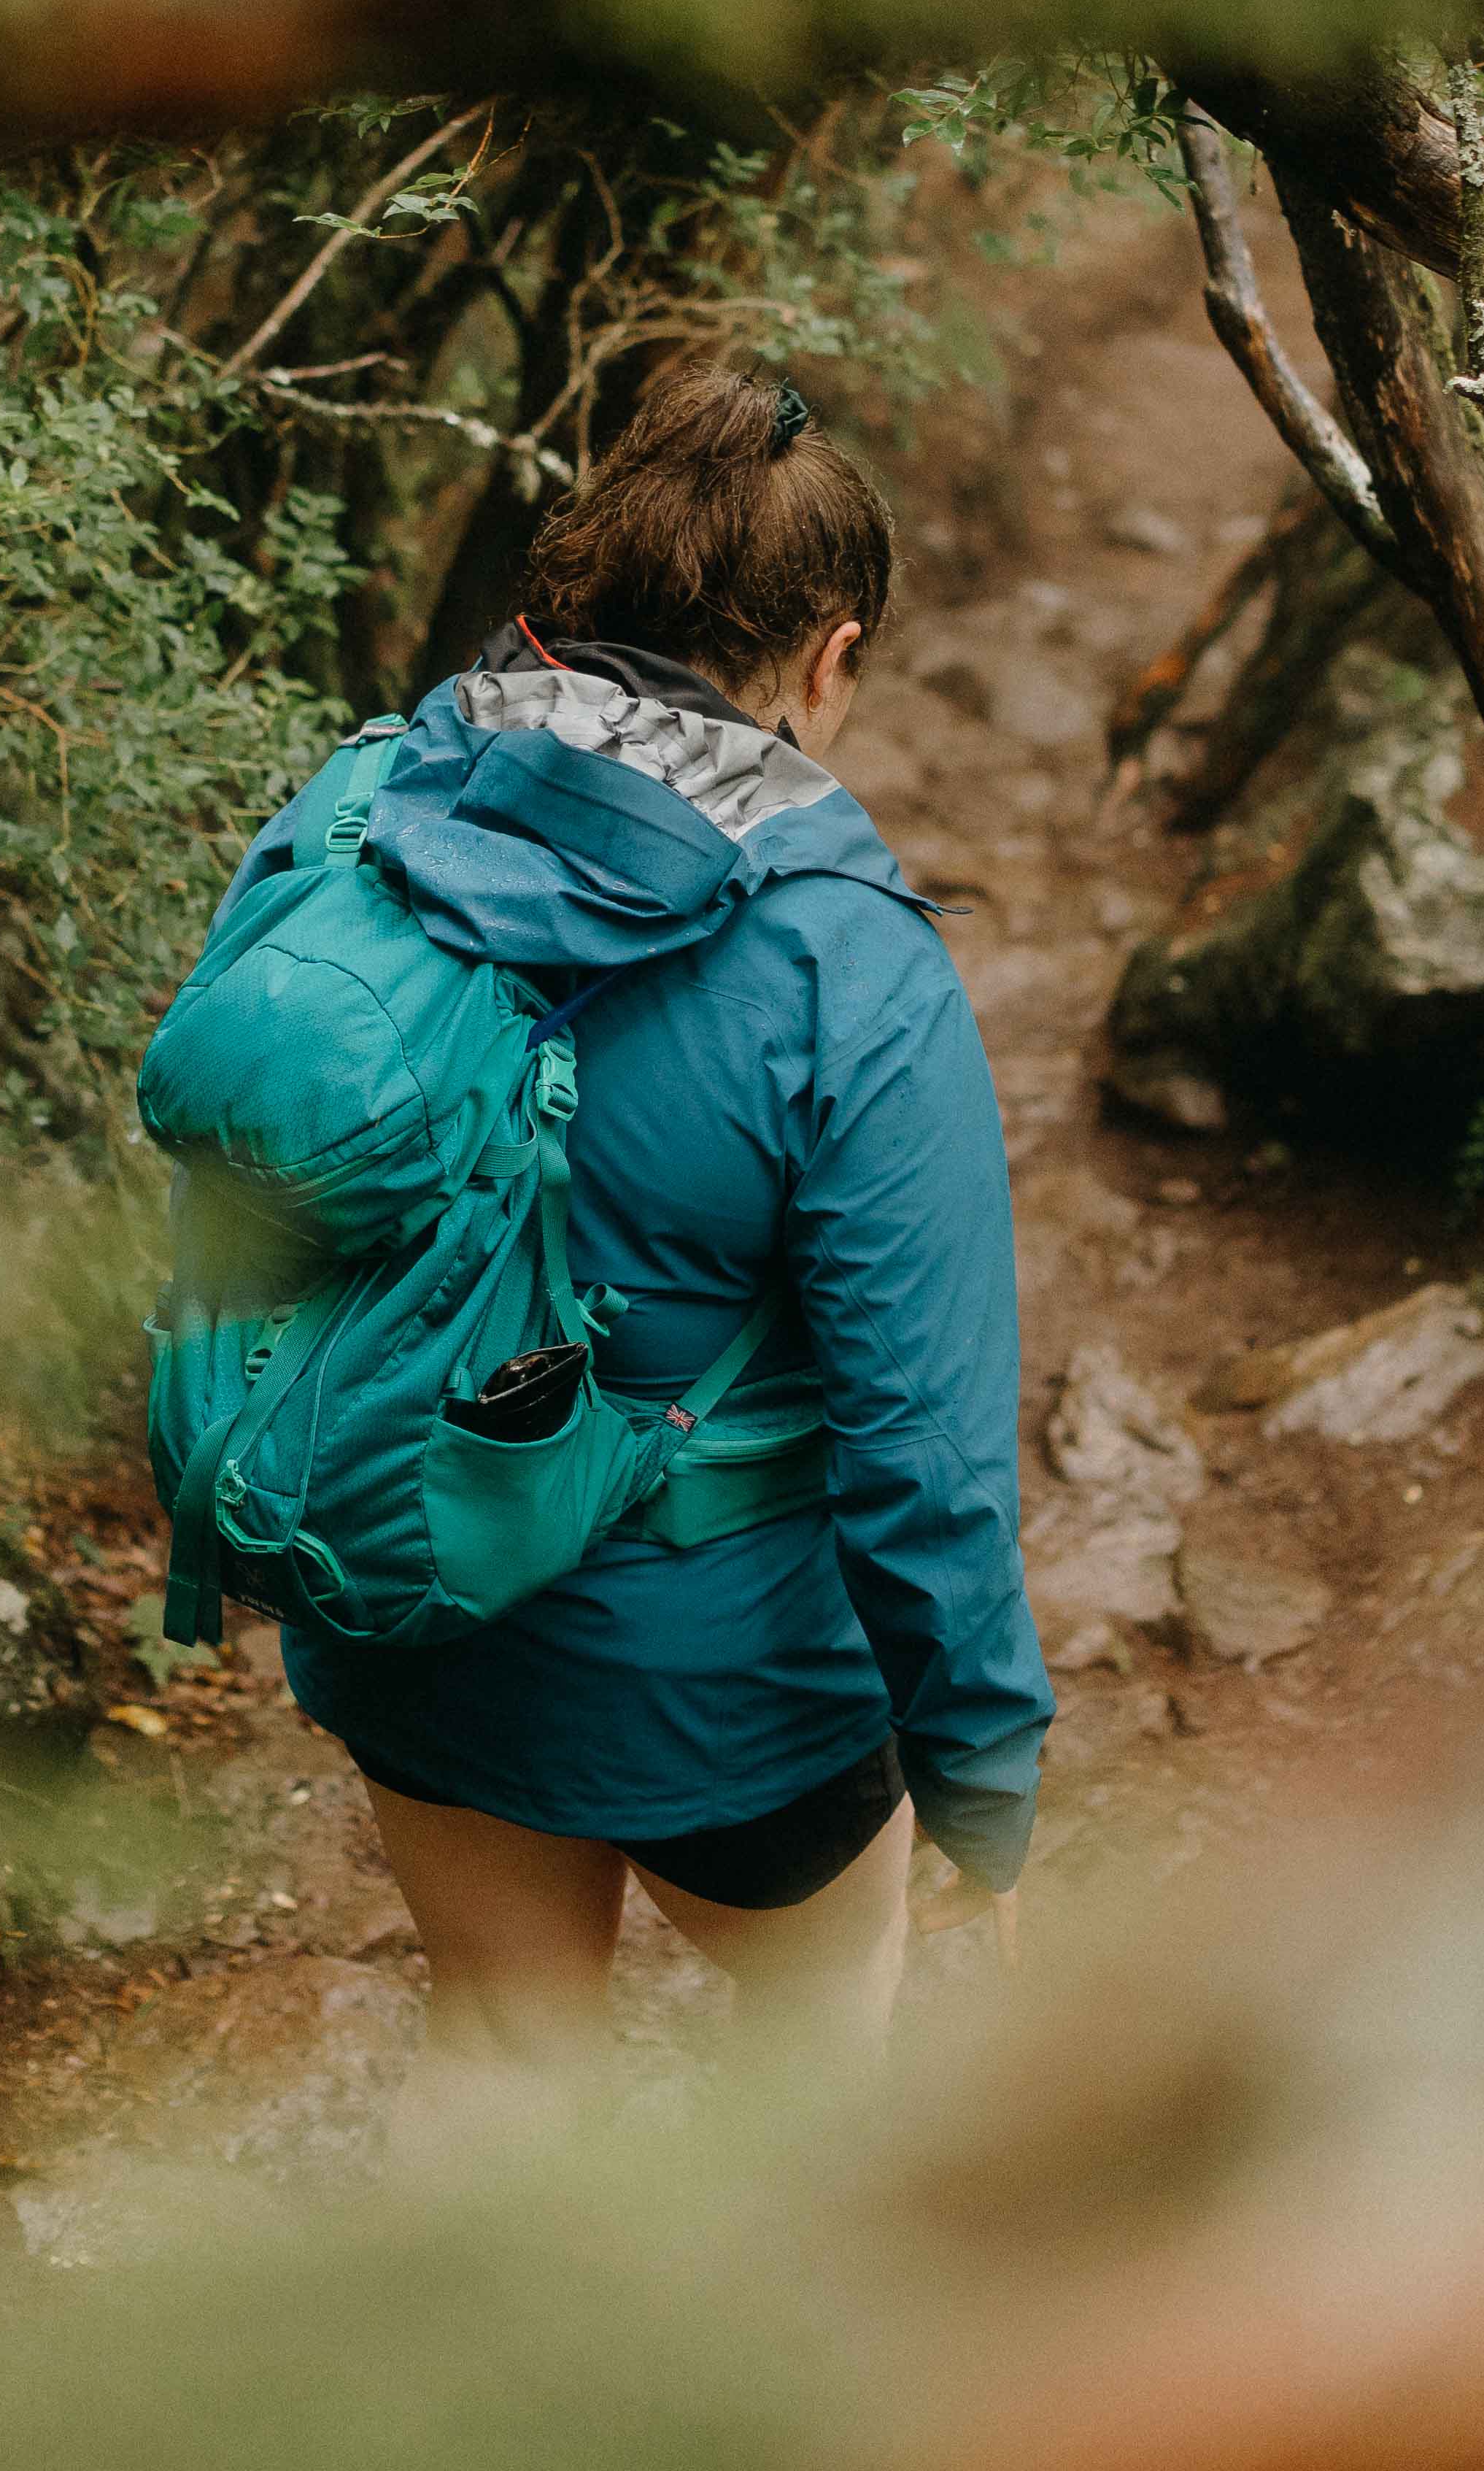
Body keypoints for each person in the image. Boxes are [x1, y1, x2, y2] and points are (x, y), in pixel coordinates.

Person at [166, 361, 1048, 2150]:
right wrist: (984, 1778)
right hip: (730, 1693)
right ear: (834, 654)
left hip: (414, 1596)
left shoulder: (357, 804)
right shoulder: (847, 968)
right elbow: (923, 1455)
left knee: (497, 2046)